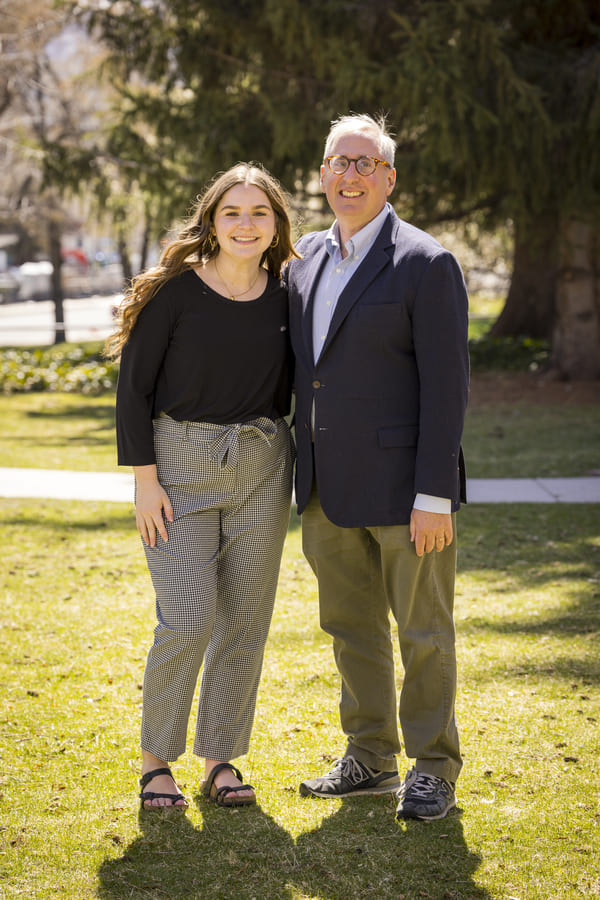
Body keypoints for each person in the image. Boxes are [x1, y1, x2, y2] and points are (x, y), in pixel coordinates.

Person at [285, 114, 469, 821]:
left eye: (366, 164)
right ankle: (369, 758)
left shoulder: (426, 262)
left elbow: (447, 389)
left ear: (389, 179)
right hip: (325, 489)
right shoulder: (302, 257)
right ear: (323, 174)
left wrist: (436, 493)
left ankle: (432, 768)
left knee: (424, 633)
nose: (351, 175)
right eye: (339, 162)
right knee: (351, 628)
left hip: (405, 492)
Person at [109, 162, 298, 809]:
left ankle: (221, 761)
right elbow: (132, 389)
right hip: (178, 467)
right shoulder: (176, 294)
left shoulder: (287, 293)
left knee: (245, 620)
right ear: (211, 222)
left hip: (263, 465)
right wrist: (144, 482)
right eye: (232, 213)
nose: (246, 224)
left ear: (276, 225)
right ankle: (154, 761)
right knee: (187, 619)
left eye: (259, 213)